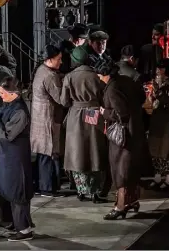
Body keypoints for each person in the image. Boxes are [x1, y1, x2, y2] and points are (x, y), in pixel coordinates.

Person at [0, 76, 34, 242]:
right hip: (7, 155)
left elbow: (8, 134)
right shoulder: (9, 106)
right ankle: (15, 223)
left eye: (2, 92)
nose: (0, 96)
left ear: (14, 93)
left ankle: (25, 229)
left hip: (16, 157)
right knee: (7, 188)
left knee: (18, 190)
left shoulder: (20, 111)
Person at [96, 61, 144, 220]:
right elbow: (142, 98)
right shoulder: (128, 80)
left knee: (120, 170)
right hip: (136, 130)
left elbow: (120, 113)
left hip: (123, 135)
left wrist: (104, 112)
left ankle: (120, 206)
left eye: (100, 75)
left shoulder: (112, 88)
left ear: (105, 75)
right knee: (131, 168)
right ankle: (133, 200)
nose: (99, 78)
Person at [61, 53, 107, 203]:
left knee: (77, 150)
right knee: (93, 149)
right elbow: (103, 97)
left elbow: (64, 102)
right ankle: (95, 191)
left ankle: (81, 190)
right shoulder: (96, 76)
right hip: (92, 111)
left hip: (75, 115)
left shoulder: (69, 77)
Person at [30, 45, 64, 197]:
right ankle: (48, 188)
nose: (61, 62)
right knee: (48, 153)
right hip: (47, 119)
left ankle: (42, 186)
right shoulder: (50, 76)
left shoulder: (41, 70)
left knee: (43, 154)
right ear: (50, 60)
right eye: (59, 59)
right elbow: (60, 98)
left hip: (39, 117)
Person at [147, 59, 169, 192]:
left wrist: (159, 92)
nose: (157, 71)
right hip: (157, 122)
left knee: (166, 152)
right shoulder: (160, 83)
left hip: (168, 123)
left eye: (160, 68)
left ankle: (168, 181)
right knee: (156, 151)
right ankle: (157, 179)